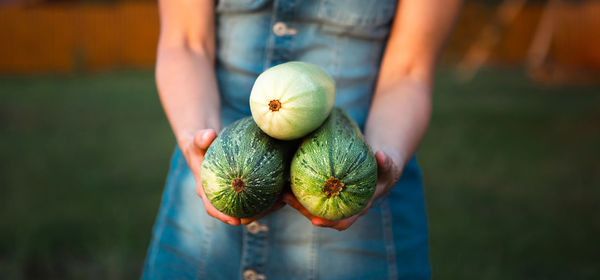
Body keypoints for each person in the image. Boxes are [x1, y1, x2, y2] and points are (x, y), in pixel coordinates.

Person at [142, 0, 461, 279]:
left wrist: (388, 152)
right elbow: (184, 43)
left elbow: (410, 69)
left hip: (362, 232)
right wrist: (194, 140)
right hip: (201, 230)